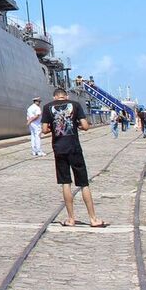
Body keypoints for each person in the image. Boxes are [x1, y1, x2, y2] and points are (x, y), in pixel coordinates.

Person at [41, 87, 106, 228]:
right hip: (74, 148)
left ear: (54, 97)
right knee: (84, 184)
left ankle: (71, 219)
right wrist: (77, 126)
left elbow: (44, 130)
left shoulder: (47, 107)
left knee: (66, 183)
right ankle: (93, 219)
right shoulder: (75, 105)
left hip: (59, 149)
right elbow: (85, 126)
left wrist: (55, 127)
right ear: (66, 96)